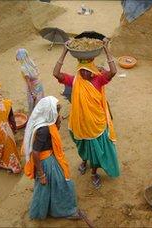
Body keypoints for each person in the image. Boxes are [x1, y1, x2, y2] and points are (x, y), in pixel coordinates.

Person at [53, 38, 120, 188]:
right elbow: (56, 73)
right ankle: (84, 161)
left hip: (97, 125)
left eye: (86, 70)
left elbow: (114, 71)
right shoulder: (75, 80)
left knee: (96, 151)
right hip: (81, 124)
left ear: (92, 71)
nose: (83, 73)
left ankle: (94, 172)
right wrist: (64, 51)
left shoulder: (99, 80)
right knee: (83, 147)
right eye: (81, 70)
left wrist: (106, 50)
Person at [23, 96, 80, 220]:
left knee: (48, 187)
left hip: (49, 157)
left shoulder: (46, 123)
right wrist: (41, 174)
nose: (57, 114)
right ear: (49, 112)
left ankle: (46, 209)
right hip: (46, 162)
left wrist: (57, 121)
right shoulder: (43, 130)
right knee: (61, 184)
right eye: (55, 111)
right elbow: (36, 152)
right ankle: (66, 211)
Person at [16, 48, 44, 114]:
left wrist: (32, 93)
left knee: (33, 104)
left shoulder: (23, 68)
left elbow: (28, 83)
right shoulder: (31, 62)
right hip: (39, 85)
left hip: (33, 87)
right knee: (40, 101)